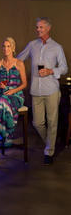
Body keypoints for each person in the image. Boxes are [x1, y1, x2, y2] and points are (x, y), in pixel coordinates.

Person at [17, 17, 68, 165]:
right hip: (35, 90)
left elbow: (64, 68)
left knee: (52, 122)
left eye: (40, 27)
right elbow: (20, 59)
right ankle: (50, 143)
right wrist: (6, 63)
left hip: (51, 89)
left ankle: (49, 152)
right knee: (38, 122)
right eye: (37, 27)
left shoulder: (57, 47)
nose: (37, 30)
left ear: (48, 28)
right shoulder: (32, 45)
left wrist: (51, 71)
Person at [0, 37, 27, 147]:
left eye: (8, 46)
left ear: (13, 48)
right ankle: (8, 136)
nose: (6, 48)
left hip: (17, 95)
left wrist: (13, 90)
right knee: (3, 101)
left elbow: (24, 84)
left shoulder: (19, 63)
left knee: (3, 103)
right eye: (4, 46)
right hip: (2, 94)